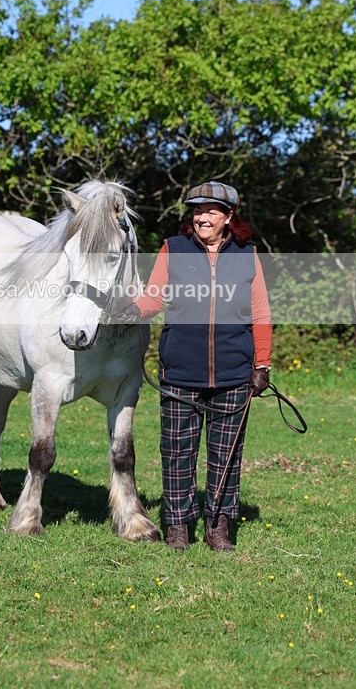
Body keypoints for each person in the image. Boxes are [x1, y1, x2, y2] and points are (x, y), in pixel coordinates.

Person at [120, 181, 272, 552]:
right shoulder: (174, 249)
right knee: (176, 455)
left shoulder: (247, 255)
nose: (202, 217)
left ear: (228, 217)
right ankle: (177, 528)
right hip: (180, 372)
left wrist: (262, 364)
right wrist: (132, 310)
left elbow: (261, 312)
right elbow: (154, 297)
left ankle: (218, 527)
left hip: (234, 373)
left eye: (211, 211)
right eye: (198, 211)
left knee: (226, 457)